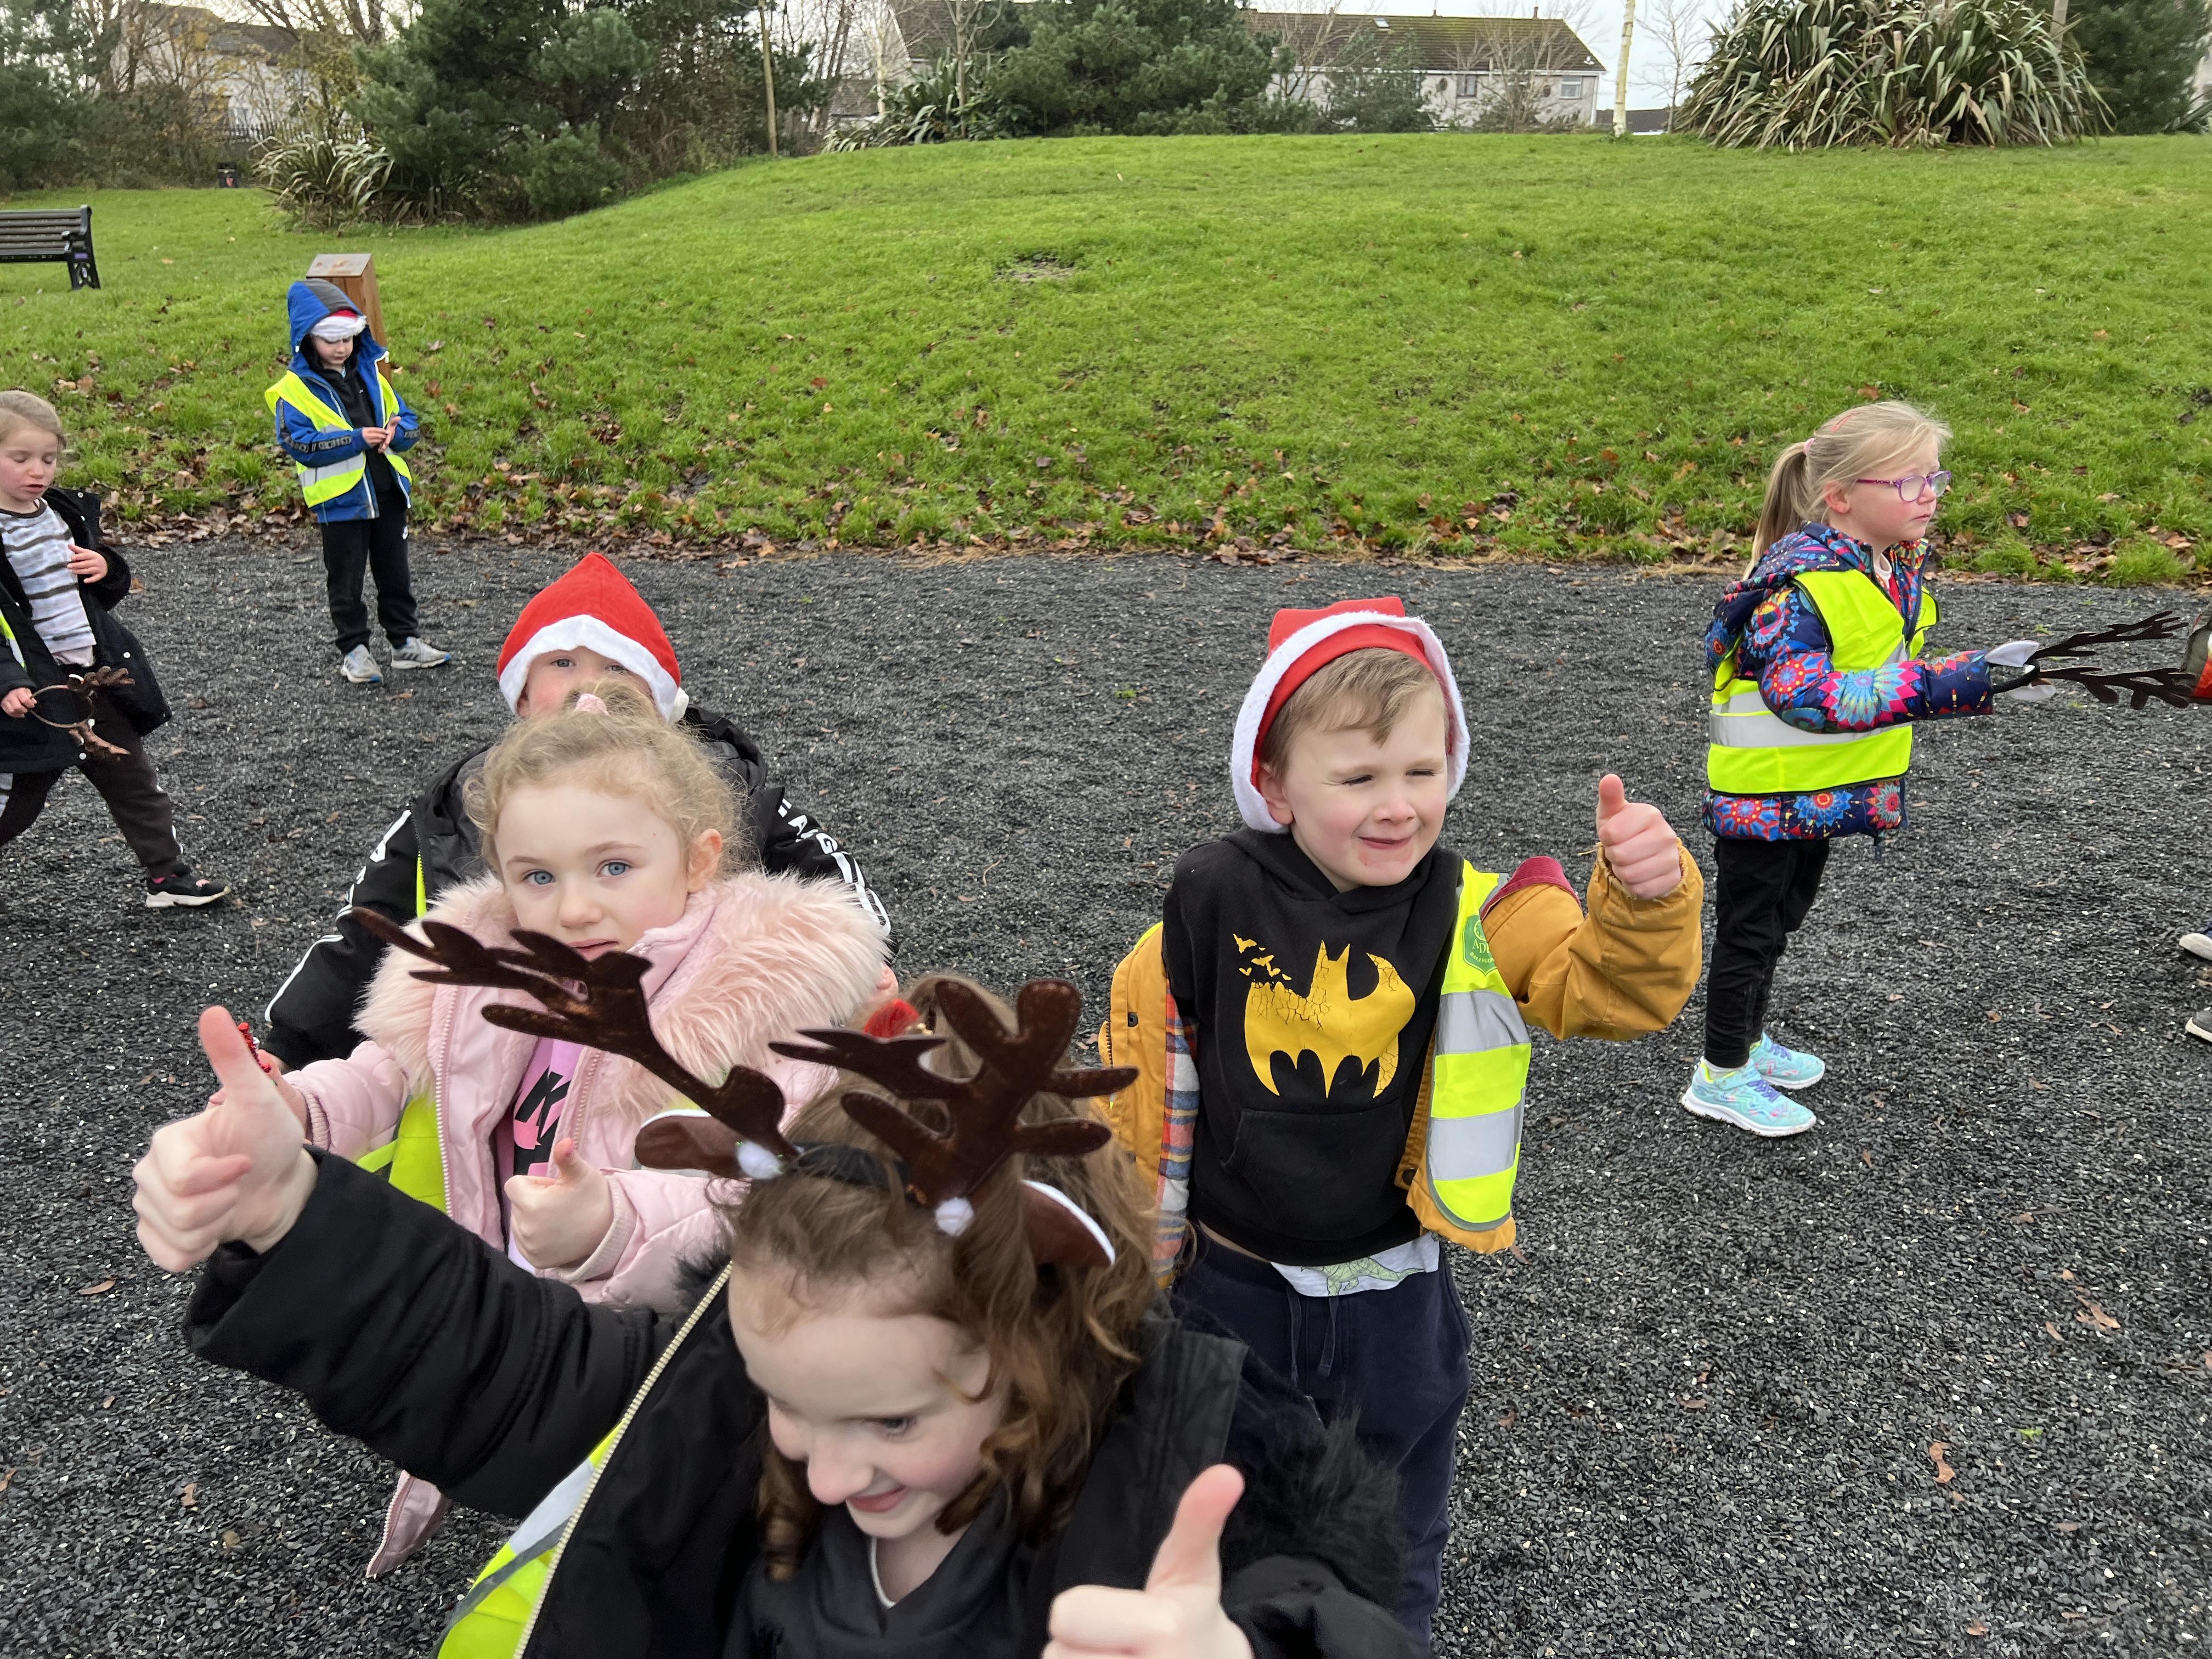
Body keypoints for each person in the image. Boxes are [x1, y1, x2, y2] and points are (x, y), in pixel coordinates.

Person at [132, 975, 1423, 1658]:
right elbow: (513, 1373)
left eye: (889, 1422)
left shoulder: (1189, 1495)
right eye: (785, 1402)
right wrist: (291, 1209)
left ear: (1031, 1337)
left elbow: (1325, 1616)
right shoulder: (721, 1403)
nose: (824, 1466)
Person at [228, 680, 889, 1573]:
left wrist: (612, 1221)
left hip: (658, 1345)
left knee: (642, 1528)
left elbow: (770, 1187)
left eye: (613, 867)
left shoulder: (764, 996)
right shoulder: (475, 964)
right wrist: (299, 1110)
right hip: (519, 1301)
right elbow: (383, 1072)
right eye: (538, 876)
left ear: (699, 859)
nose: (575, 908)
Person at [1146, 595, 1705, 1642]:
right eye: (1357, 777)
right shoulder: (1211, 893)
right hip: (1231, 1285)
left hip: (1394, 1293)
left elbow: (1608, 990)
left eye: (1421, 768)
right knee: (1219, 1516)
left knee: (1397, 1525)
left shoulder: (1478, 908)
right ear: (1275, 783)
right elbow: (1147, 1050)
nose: (1397, 805)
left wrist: (1645, 899)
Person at [260, 550, 888, 1071]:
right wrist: (290, 1045)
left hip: (688, 1051)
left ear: (657, 699)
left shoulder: (721, 783)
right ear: (522, 696)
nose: (589, 684)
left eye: (617, 666)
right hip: (510, 1056)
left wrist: (864, 975)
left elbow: (832, 883)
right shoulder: (463, 800)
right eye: (563, 663)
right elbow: (368, 927)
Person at [1690, 400, 2054, 1135]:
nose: (1930, 495)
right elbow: (1805, 696)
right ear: (1840, 495)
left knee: (1778, 924)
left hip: (1813, 794)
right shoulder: (1801, 586)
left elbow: (1877, 670)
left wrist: (1979, 675)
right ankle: (1719, 1075)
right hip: (1764, 798)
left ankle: (1748, 1046)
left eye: (1935, 478)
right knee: (1748, 935)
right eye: (1910, 481)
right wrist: (1957, 682)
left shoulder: (1883, 570)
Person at [0, 390, 229, 907]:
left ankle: (168, 878)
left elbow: (99, 594)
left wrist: (107, 569)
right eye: (21, 458)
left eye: (48, 459)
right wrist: (9, 681)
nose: (38, 470)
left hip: (90, 679)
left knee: (134, 780)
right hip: (36, 693)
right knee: (19, 800)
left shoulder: (63, 514)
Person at [267, 278, 449, 686]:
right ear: (307, 339)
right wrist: (356, 439)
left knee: (396, 575)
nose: (341, 348)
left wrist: (397, 433)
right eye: (330, 340)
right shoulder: (292, 390)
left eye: (348, 338)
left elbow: (408, 420)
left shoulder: (372, 374)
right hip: (340, 502)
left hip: (387, 492)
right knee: (346, 582)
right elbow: (298, 443)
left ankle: (405, 643)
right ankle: (355, 652)